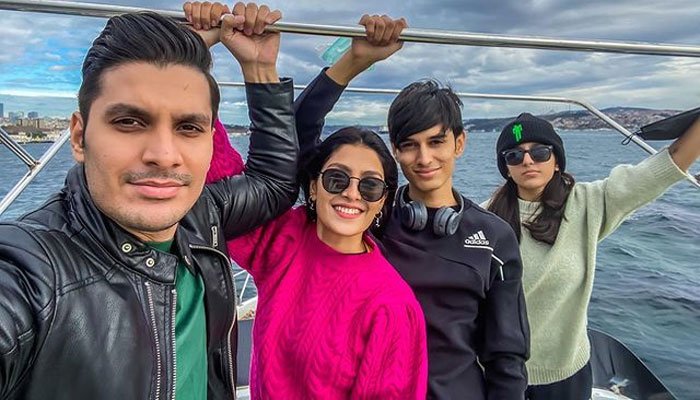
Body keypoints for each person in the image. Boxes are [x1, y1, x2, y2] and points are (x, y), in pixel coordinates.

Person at [204, 10, 530, 398]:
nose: (424, 158)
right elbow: (296, 153)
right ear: (395, 151)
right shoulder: (368, 221)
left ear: (459, 143)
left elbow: (506, 356)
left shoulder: (492, 237)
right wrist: (353, 62)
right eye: (409, 145)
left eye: (436, 142)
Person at [0, 4, 298, 399]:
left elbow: (273, 183)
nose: (163, 155)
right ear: (79, 137)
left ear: (211, 142)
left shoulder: (200, 216)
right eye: (129, 122)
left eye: (188, 127)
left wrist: (259, 69)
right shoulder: (29, 274)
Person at [185, 5, 427, 398]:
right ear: (313, 187)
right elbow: (215, 170)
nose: (351, 193)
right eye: (336, 179)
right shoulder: (285, 241)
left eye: (370, 186)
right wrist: (192, 58)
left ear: (383, 201)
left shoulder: (391, 304)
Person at [483, 112, 700, 400]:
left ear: (556, 160)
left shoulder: (587, 204)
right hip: (497, 372)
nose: (528, 161)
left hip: (565, 374)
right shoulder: (484, 220)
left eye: (540, 152)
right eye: (514, 155)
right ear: (506, 168)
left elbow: (668, 164)